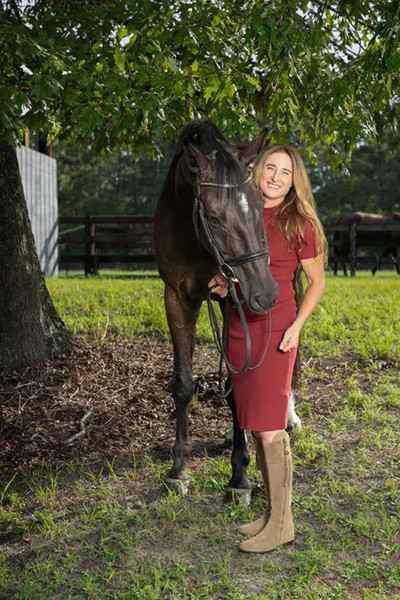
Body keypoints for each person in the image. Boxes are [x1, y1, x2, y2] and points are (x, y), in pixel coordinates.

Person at [208, 144, 327, 553]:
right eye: (270, 168)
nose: (275, 177)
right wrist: (224, 284)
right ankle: (272, 510)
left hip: (277, 326)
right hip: (240, 321)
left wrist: (296, 327)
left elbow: (316, 283)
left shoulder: (300, 223)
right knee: (256, 423)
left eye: (285, 172)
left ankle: (283, 524)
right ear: (257, 171)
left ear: (295, 181)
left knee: (273, 425)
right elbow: (239, 266)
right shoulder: (245, 213)